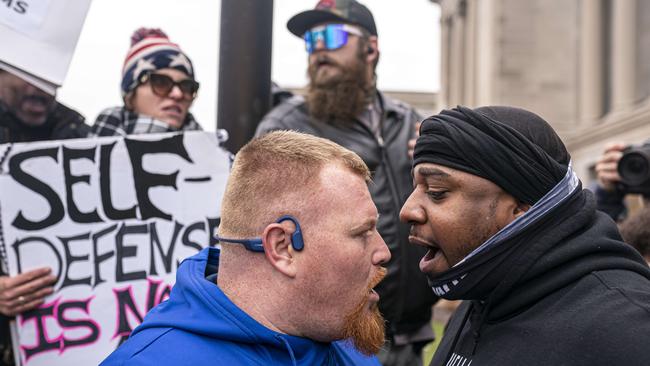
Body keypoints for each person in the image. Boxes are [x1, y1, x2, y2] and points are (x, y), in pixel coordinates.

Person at [101, 130, 390, 365]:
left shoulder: (348, 346)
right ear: (283, 247)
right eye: (363, 232)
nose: (383, 252)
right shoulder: (150, 361)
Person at [256, 2, 437, 364]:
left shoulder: (408, 122)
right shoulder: (286, 130)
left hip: (411, 337)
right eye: (310, 40)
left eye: (331, 35)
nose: (318, 47)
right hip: (335, 342)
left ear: (371, 48)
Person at [400, 105, 650, 366]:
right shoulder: (478, 303)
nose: (407, 211)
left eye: (437, 191)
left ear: (520, 208)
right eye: (415, 187)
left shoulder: (628, 331)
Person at [0, 67, 88, 366]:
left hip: (67, 340)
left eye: (49, 77)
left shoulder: (80, 137)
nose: (41, 87)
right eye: (28, 74)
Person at [92, 28, 202, 136]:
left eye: (187, 86)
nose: (178, 94)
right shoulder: (79, 145)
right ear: (131, 96)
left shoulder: (211, 148)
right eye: (161, 82)